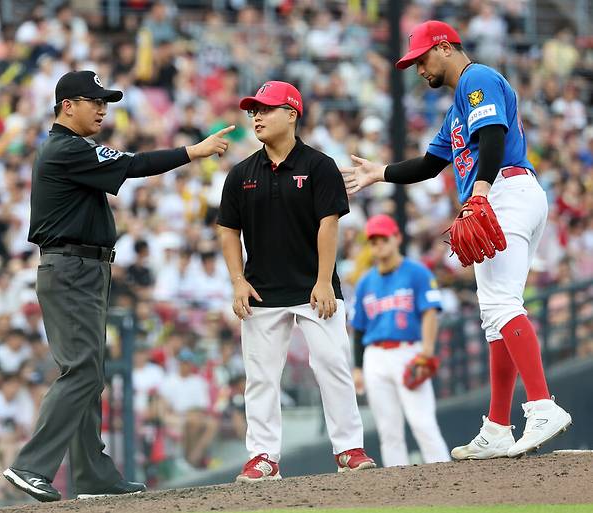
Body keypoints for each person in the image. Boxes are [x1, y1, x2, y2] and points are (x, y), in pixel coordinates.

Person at [341, 20, 572, 460]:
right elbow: (429, 165)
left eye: (422, 59)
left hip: (505, 189)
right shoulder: (455, 110)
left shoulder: (477, 78)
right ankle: (499, 427)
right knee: (494, 315)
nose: (419, 69)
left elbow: (493, 135)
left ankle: (542, 405)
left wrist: (481, 190)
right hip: (507, 192)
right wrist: (380, 172)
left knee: (502, 305)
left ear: (445, 48)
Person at [3, 70, 234, 502]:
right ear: (67, 105)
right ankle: (30, 465)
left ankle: (91, 475)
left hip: (85, 269)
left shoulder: (74, 149)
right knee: (82, 370)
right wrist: (193, 151)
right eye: (95, 101)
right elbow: (133, 165)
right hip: (71, 268)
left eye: (105, 101)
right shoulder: (65, 149)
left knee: (91, 374)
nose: (103, 108)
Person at [218, 81, 375, 482]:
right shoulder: (241, 173)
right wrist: (237, 281)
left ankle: (348, 448)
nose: (256, 116)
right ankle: (263, 456)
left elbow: (329, 224)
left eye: (266, 109)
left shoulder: (319, 165)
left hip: (312, 288)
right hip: (261, 291)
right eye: (254, 110)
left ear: (292, 114)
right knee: (260, 378)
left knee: (334, 366)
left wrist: (324, 281)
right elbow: (226, 229)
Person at [351, 214, 450, 467]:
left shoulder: (417, 272)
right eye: (373, 241)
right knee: (388, 430)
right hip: (375, 356)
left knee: (422, 422)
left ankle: (449, 482)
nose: (379, 245)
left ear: (397, 238)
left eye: (383, 238)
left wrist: (426, 352)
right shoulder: (364, 283)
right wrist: (359, 367)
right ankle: (399, 490)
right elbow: (359, 328)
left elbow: (430, 312)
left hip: (409, 352)